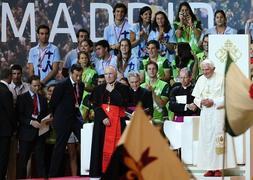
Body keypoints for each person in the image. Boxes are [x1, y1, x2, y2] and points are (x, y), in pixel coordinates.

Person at [192, 59, 236, 176]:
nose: (205, 72)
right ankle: (209, 168)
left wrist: (213, 101)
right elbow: (195, 98)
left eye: (207, 69)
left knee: (218, 140)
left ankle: (218, 168)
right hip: (205, 114)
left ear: (214, 69)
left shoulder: (222, 78)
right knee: (206, 141)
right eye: (203, 70)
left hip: (218, 113)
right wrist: (201, 102)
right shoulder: (200, 79)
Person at [89, 66, 129, 178]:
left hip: (117, 122)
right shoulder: (98, 89)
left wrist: (113, 91)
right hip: (102, 123)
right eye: (106, 74)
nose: (108, 76)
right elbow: (95, 105)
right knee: (99, 146)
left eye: (110, 74)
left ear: (115, 75)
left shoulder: (123, 88)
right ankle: (100, 172)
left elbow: (123, 103)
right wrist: (103, 117)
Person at [49, 64, 84, 177]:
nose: (78, 78)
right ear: (71, 73)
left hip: (75, 120)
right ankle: (53, 175)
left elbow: (78, 100)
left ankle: (88, 171)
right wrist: (57, 119)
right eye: (76, 75)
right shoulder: (62, 85)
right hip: (63, 121)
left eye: (80, 75)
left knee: (85, 142)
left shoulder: (81, 85)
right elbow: (53, 103)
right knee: (59, 148)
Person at [16, 75, 48, 178]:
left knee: (40, 161)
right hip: (26, 134)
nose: (37, 88)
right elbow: (19, 116)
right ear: (29, 85)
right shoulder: (22, 98)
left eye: (38, 86)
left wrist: (47, 120)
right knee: (23, 162)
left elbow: (44, 114)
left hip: (40, 134)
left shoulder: (42, 99)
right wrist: (30, 122)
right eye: (34, 86)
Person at [7, 64, 29, 180]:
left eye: (18, 73)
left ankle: (27, 178)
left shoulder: (28, 87)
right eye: (14, 74)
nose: (16, 76)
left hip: (26, 126)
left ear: (22, 74)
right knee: (12, 155)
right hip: (12, 126)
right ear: (11, 75)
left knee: (27, 156)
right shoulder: (7, 88)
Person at [141, 61, 170, 128]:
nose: (152, 71)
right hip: (146, 120)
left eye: (154, 68)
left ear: (157, 70)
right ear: (146, 71)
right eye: (149, 69)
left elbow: (162, 104)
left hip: (160, 120)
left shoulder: (164, 85)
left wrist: (152, 92)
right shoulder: (142, 86)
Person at [0, 68, 15, 180]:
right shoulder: (6, 92)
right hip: (4, 132)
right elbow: (10, 114)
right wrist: (15, 128)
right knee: (3, 158)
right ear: (9, 76)